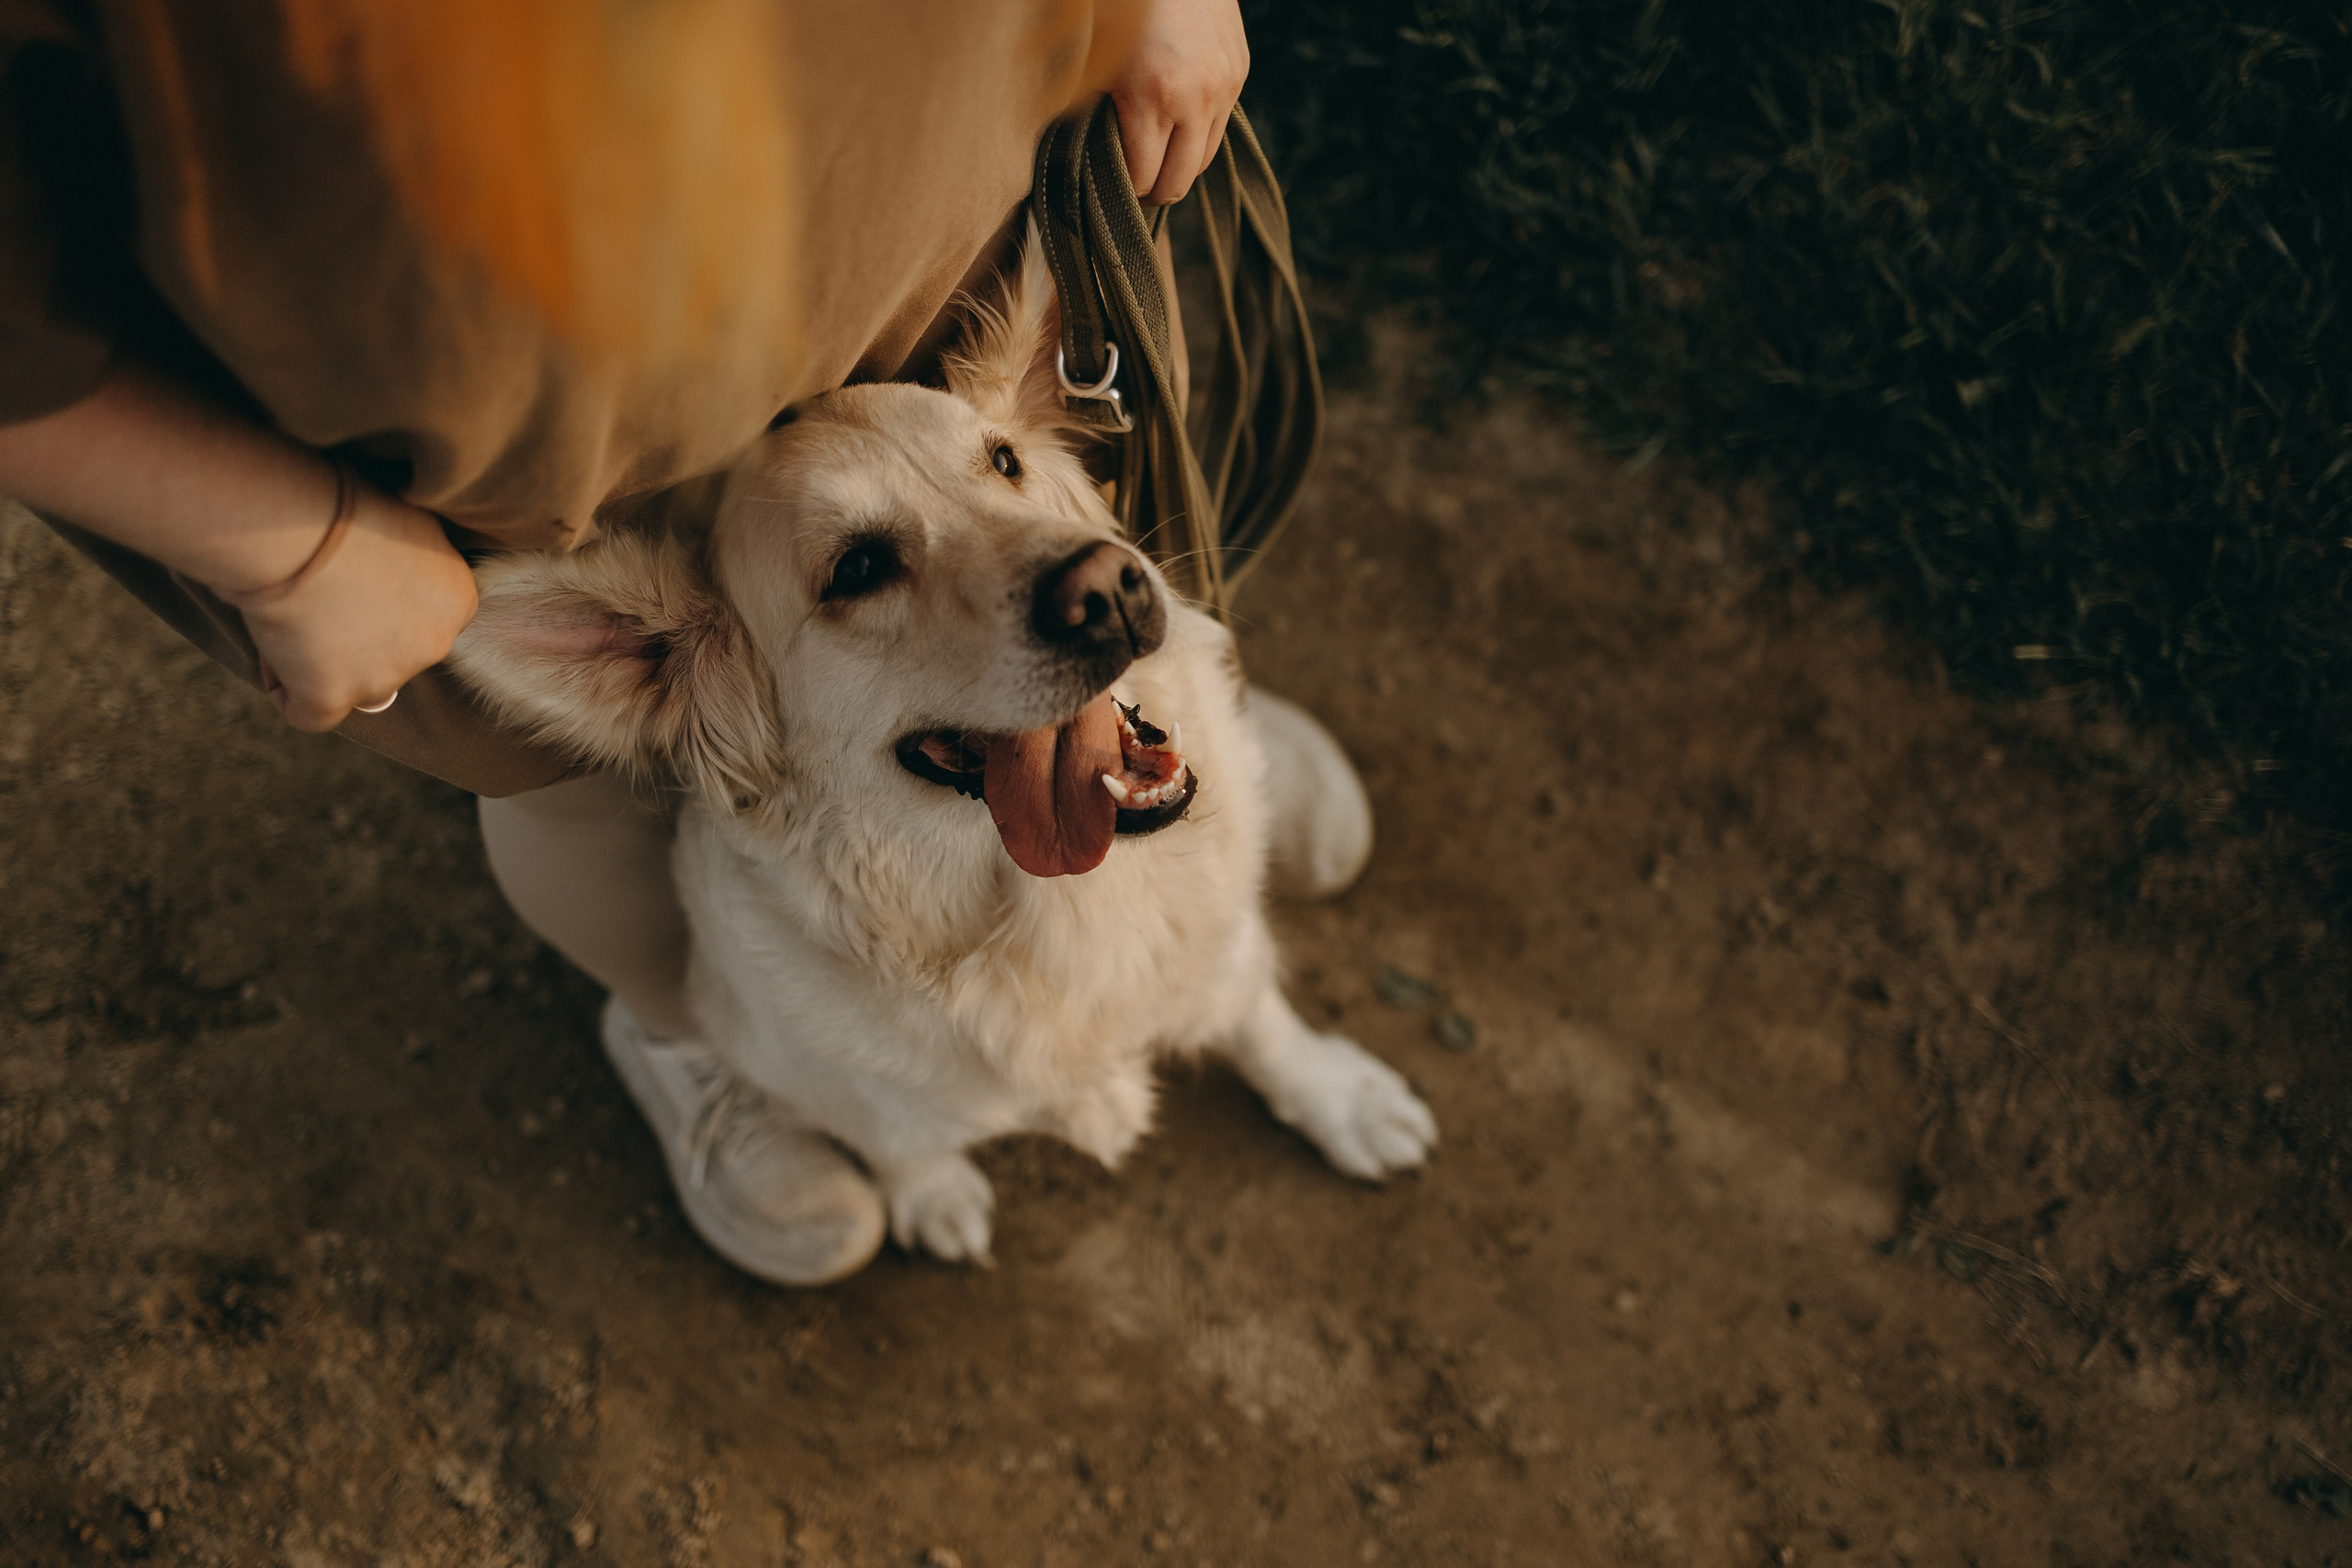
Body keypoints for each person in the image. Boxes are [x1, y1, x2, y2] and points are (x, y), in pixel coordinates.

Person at [0, 0, 1342, 1286]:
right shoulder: (672, 659)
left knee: (1062, 552)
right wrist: (286, 547)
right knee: (586, 808)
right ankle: (719, 1053)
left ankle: (1143, 756)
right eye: (861, 572)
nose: (1071, 578)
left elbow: (1020, 497)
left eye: (1003, 467)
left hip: (930, 211)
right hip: (538, 472)